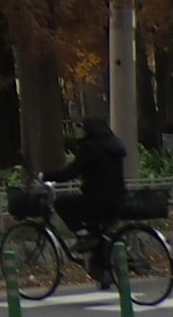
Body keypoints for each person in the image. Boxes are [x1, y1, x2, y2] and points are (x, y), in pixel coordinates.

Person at [69, 111, 134, 281]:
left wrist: (45, 176)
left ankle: (83, 235)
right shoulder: (116, 145)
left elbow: (72, 172)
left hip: (97, 202)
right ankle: (101, 270)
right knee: (99, 232)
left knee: (61, 203)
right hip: (118, 201)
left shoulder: (90, 148)